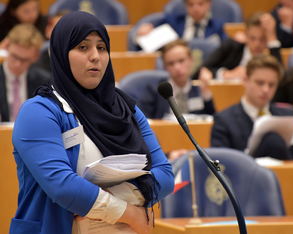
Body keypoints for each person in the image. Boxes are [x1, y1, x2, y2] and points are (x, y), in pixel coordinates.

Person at [9, 11, 174, 234]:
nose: (95, 56)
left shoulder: (127, 109)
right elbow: (63, 187)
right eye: (83, 47)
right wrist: (131, 212)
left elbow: (164, 176)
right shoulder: (39, 111)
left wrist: (106, 201)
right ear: (60, 54)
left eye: (102, 47)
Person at [211, 54, 293, 161]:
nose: (266, 90)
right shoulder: (224, 120)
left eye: (271, 85)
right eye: (260, 83)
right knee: (273, 141)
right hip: (247, 179)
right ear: (245, 80)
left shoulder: (288, 115)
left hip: (290, 179)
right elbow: (220, 164)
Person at [137, 39, 215, 119]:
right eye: (171, 63)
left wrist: (206, 94)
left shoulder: (199, 88)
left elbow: (211, 120)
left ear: (191, 60)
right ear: (165, 67)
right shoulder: (153, 90)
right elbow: (143, 122)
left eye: (181, 61)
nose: (177, 68)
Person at [193, 11, 282, 80]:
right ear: (246, 35)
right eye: (252, 38)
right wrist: (226, 74)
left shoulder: (271, 55)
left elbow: (281, 78)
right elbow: (199, 72)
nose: (257, 44)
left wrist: (273, 40)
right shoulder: (232, 47)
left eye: (262, 39)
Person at [0, 23, 51, 122]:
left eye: (25, 60)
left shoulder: (43, 81)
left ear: (35, 57)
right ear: (7, 46)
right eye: (15, 56)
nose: (17, 64)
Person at [136, 0, 227, 45]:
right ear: (185, 6)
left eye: (200, 4)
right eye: (191, 5)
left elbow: (227, 48)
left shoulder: (216, 26)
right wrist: (141, 34)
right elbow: (148, 40)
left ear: (209, 4)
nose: (196, 9)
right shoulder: (173, 21)